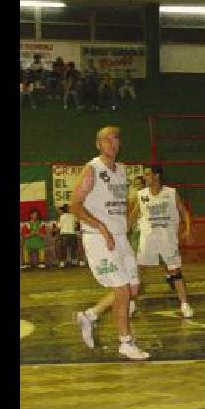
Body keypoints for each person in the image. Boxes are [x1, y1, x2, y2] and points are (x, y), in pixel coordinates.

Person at [69, 126, 149, 359]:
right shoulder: (91, 169)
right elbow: (74, 205)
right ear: (98, 144)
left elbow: (118, 208)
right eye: (107, 139)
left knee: (133, 288)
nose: (113, 143)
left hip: (119, 237)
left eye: (116, 139)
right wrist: (101, 226)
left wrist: (134, 213)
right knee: (123, 291)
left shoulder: (121, 171)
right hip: (99, 238)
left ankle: (90, 315)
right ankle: (125, 342)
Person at [128, 165, 195, 318]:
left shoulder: (171, 193)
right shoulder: (142, 194)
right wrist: (122, 232)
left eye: (147, 174)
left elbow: (184, 211)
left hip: (167, 238)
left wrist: (188, 229)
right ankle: (131, 303)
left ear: (157, 176)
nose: (145, 177)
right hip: (148, 238)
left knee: (174, 271)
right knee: (138, 270)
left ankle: (184, 304)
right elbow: (133, 215)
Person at [127, 176, 145, 253]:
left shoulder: (150, 195)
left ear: (144, 184)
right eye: (135, 185)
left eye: (139, 184)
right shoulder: (133, 197)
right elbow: (130, 211)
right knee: (134, 242)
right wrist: (130, 224)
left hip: (147, 224)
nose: (137, 186)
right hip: (136, 223)